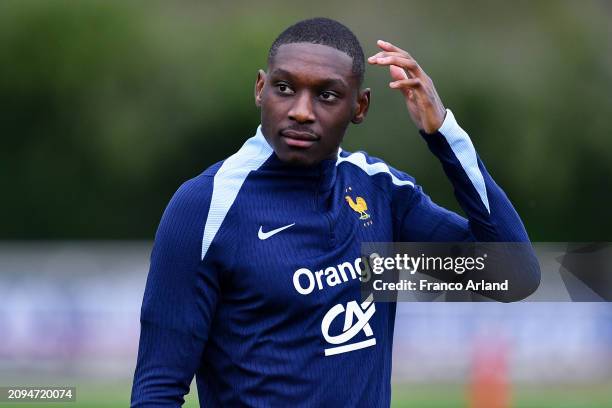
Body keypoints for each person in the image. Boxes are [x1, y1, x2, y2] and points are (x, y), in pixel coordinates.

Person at [131, 17, 539, 407]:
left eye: (326, 95)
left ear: (359, 107)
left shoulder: (380, 193)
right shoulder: (206, 207)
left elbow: (512, 276)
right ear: (260, 88)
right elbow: (157, 388)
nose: (301, 111)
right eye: (284, 88)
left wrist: (444, 135)